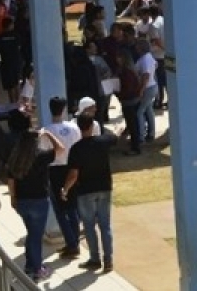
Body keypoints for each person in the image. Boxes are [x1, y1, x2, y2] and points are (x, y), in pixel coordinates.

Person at [7, 113, 66, 281]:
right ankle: (37, 269)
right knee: (35, 236)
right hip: (39, 201)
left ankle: (30, 266)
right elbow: (61, 149)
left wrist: (13, 199)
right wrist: (48, 134)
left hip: (22, 202)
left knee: (31, 234)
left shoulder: (15, 158)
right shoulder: (41, 156)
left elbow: (11, 181)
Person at [61, 113, 117, 274]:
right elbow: (114, 137)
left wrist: (65, 189)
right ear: (93, 126)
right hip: (104, 188)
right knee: (105, 225)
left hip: (85, 191)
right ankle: (108, 260)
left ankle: (95, 259)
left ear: (79, 128)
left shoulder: (76, 149)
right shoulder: (103, 142)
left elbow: (73, 175)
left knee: (89, 226)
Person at [44, 96, 82, 259]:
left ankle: (72, 244)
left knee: (60, 210)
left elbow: (44, 154)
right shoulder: (74, 128)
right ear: (64, 109)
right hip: (72, 168)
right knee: (72, 207)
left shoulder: (47, 131)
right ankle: (74, 242)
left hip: (55, 170)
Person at [133, 38, 158, 144]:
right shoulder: (148, 57)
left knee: (139, 112)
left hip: (148, 88)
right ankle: (151, 133)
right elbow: (156, 65)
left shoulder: (145, 59)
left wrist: (141, 89)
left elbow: (146, 75)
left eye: (137, 46)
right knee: (148, 109)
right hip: (152, 86)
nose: (136, 48)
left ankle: (141, 136)